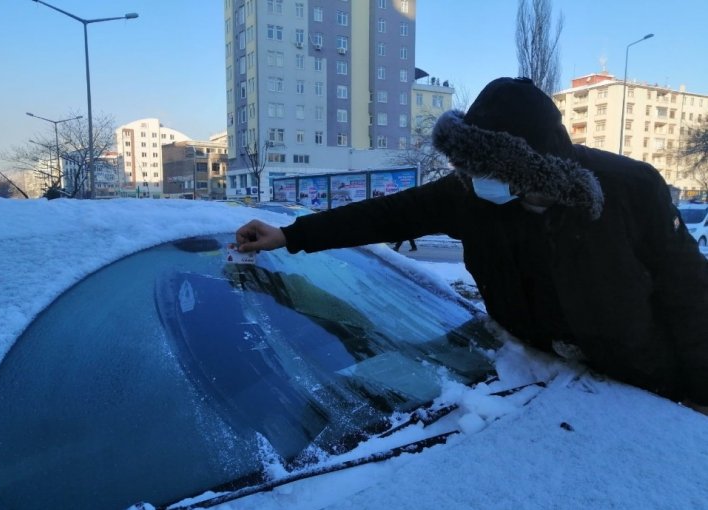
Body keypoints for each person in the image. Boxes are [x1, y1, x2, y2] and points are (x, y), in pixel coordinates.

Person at [235, 77, 708, 413]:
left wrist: (700, 391)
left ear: (533, 171)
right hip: (533, 376)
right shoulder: (469, 194)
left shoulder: (629, 188)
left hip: (639, 382)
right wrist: (293, 235)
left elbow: (690, 292)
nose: (474, 179)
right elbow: (386, 215)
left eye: (488, 169)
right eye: (467, 166)